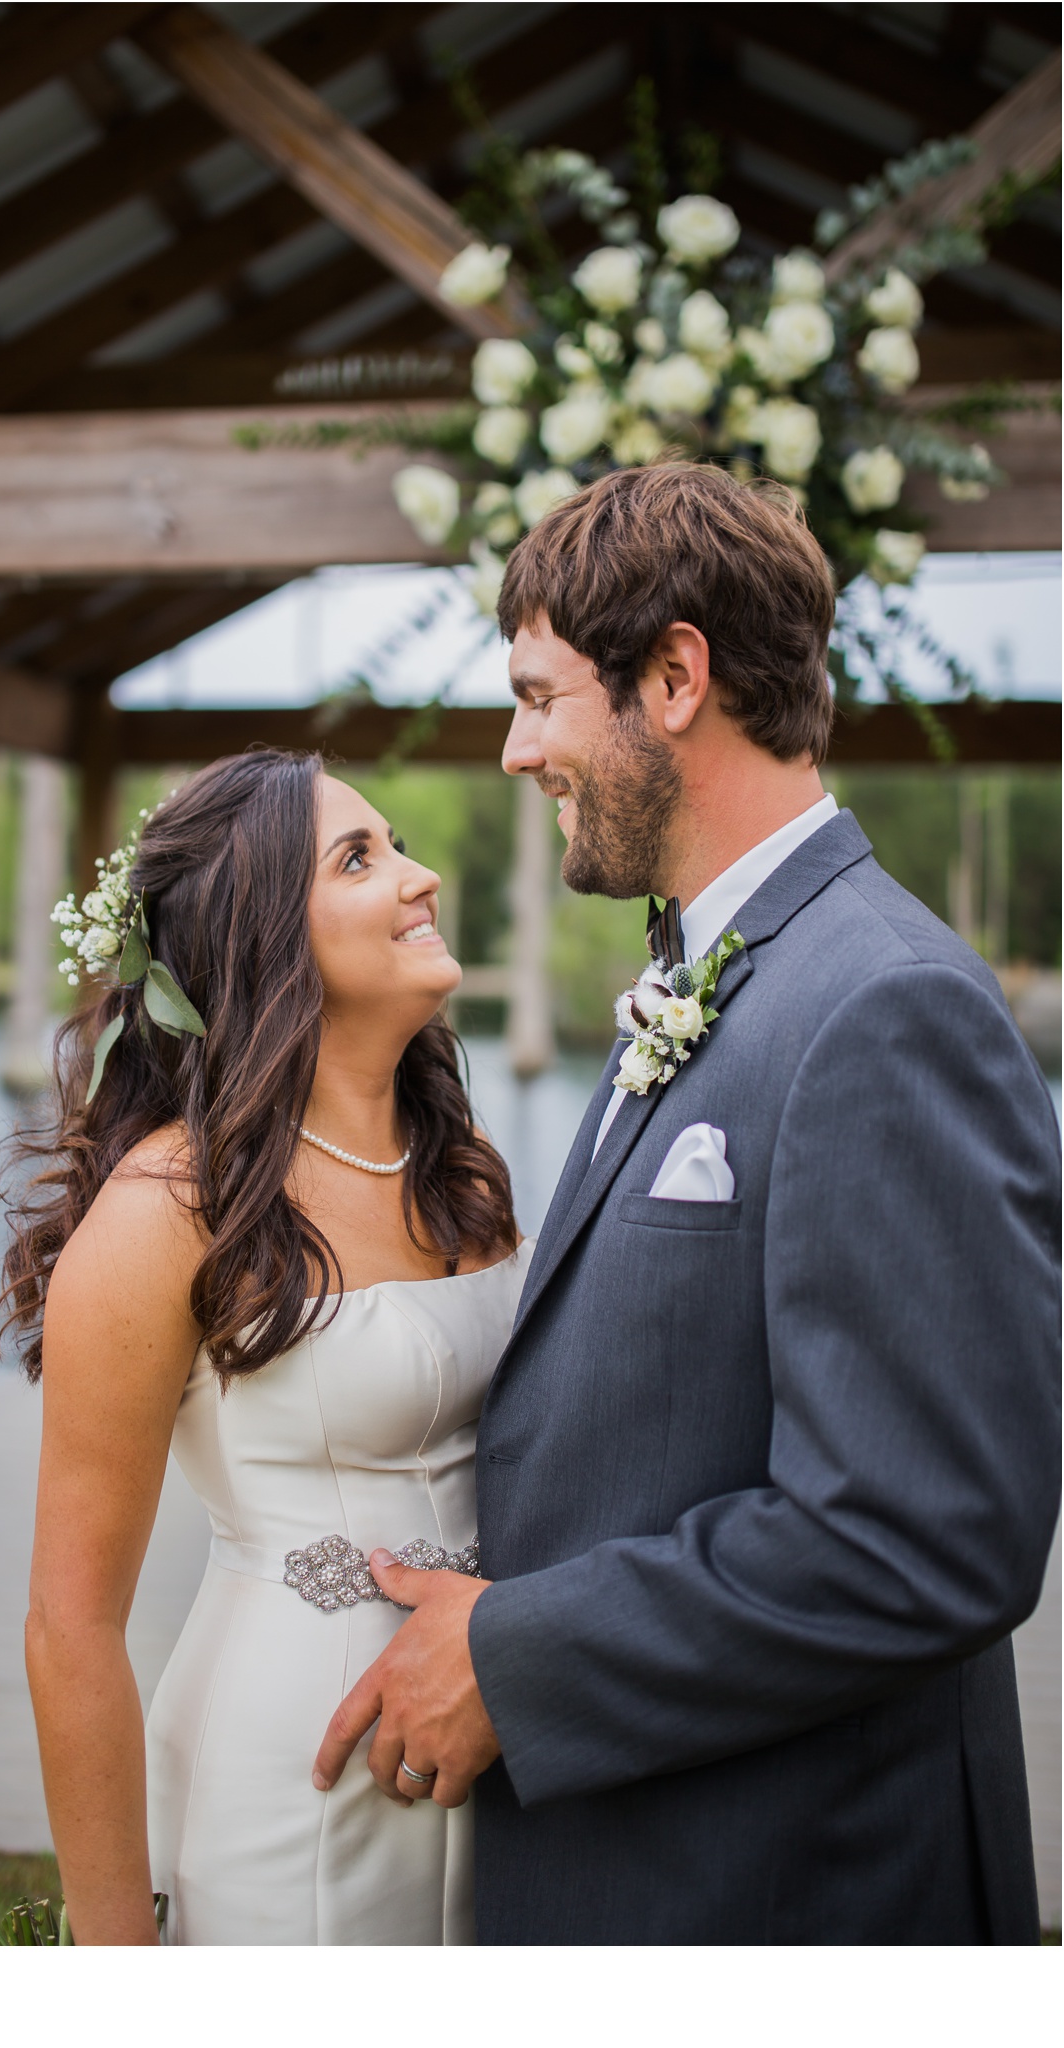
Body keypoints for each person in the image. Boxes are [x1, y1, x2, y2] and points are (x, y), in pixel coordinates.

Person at [312, 464, 1062, 1945]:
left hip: (784, 1897)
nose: (517, 751)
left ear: (670, 677)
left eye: (536, 697)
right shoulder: (718, 968)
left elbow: (925, 1537)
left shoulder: (882, 1007)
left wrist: (518, 1661)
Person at [0, 750, 528, 1944]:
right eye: (360, 856)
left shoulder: (464, 1165)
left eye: (397, 844)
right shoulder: (168, 1207)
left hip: (499, 1745)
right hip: (294, 1768)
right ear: (260, 937)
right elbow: (68, 1623)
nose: (421, 875)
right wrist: (116, 1961)